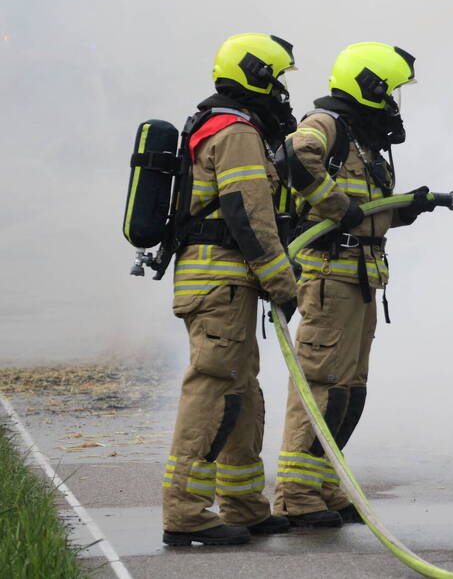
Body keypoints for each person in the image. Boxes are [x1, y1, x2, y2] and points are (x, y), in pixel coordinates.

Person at [272, 42, 432, 527]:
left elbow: (367, 209)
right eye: (389, 91)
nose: (393, 103)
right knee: (320, 386)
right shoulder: (328, 125)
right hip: (327, 278)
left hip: (361, 281)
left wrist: (407, 208)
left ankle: (322, 481)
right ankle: (293, 493)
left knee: (349, 391)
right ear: (370, 86)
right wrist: (335, 207)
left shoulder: (363, 141)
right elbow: (294, 157)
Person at [162, 34, 300, 546]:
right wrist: (281, 280)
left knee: (241, 392)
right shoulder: (236, 131)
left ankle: (243, 504)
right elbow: (248, 214)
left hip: (224, 282)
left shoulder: (222, 124)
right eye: (278, 77)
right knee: (213, 392)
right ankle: (186, 512)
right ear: (257, 75)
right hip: (219, 281)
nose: (283, 91)